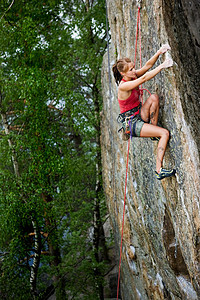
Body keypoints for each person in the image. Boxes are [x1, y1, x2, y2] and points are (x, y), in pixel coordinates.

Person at [112, 44, 176, 180]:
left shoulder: (132, 76)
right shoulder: (124, 87)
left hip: (139, 114)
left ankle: (154, 131)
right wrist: (162, 66)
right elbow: (144, 78)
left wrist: (159, 51)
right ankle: (159, 170)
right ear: (123, 73)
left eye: (133, 67)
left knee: (154, 98)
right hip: (132, 124)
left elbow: (147, 66)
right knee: (165, 133)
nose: (134, 70)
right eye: (131, 69)